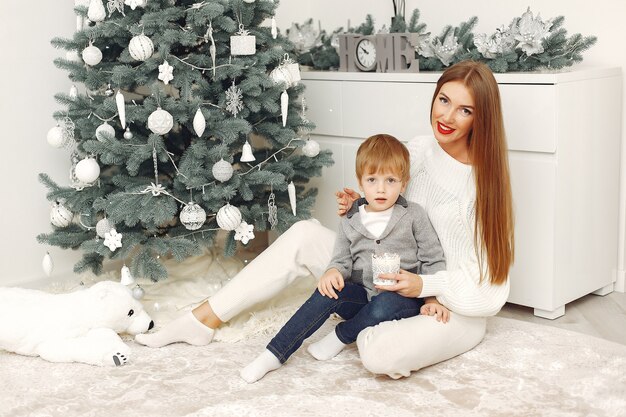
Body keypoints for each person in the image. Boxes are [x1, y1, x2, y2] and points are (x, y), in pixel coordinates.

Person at [135, 60, 515, 380]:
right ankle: (201, 320)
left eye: (464, 110)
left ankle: (364, 326)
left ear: (481, 119)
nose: (447, 116)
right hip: (389, 279)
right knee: (304, 234)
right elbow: (393, 210)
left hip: (452, 307)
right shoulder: (418, 150)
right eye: (443, 100)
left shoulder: (482, 185)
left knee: (379, 355)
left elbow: (491, 290)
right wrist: (361, 208)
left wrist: (427, 287)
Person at [239, 134, 447, 383]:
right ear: (361, 183)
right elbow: (341, 260)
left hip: (403, 301)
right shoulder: (351, 219)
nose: (381, 188)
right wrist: (332, 272)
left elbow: (433, 259)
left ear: (403, 184)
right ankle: (274, 353)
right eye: (372, 180)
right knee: (328, 293)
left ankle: (341, 335)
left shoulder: (414, 215)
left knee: (384, 304)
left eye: (390, 180)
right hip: (364, 298)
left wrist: (432, 298)